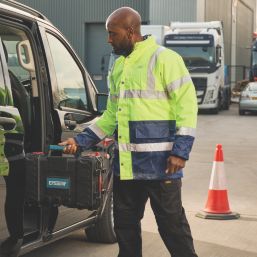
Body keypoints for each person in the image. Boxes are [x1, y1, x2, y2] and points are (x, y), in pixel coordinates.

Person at [59, 6, 198, 257]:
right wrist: (80, 141)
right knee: (125, 228)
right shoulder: (119, 67)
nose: (109, 39)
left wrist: (181, 151)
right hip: (126, 167)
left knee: (172, 228)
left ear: (130, 31)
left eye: (113, 33)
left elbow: (188, 107)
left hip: (162, 165)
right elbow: (111, 115)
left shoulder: (165, 59)